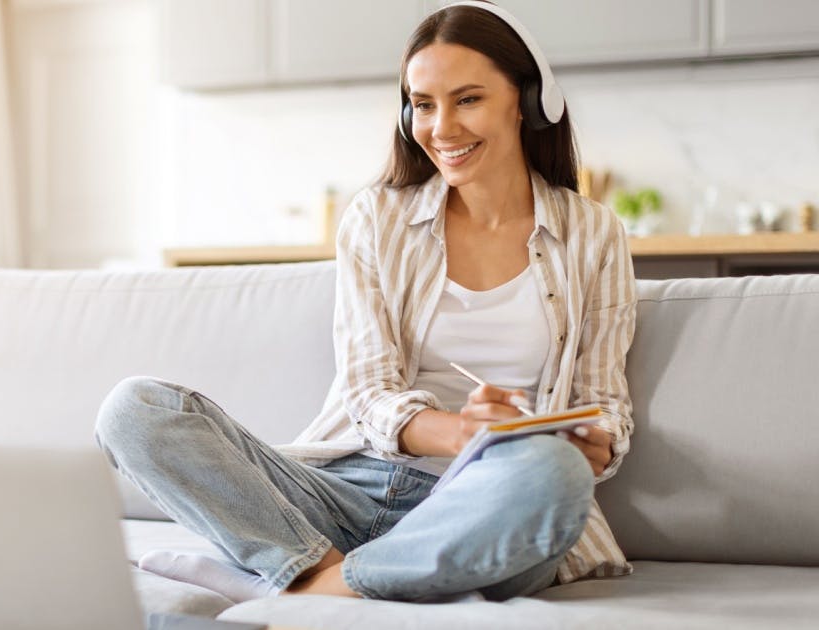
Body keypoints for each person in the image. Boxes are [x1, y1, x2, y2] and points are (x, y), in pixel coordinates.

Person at [94, 0, 636, 604]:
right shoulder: (377, 219)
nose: (442, 128)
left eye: (467, 99)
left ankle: (305, 584)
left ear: (528, 101)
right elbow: (368, 392)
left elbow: (604, 402)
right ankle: (346, 577)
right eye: (423, 105)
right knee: (133, 410)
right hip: (348, 490)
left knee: (555, 473)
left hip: (486, 501)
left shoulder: (594, 234)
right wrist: (462, 431)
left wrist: (593, 443)